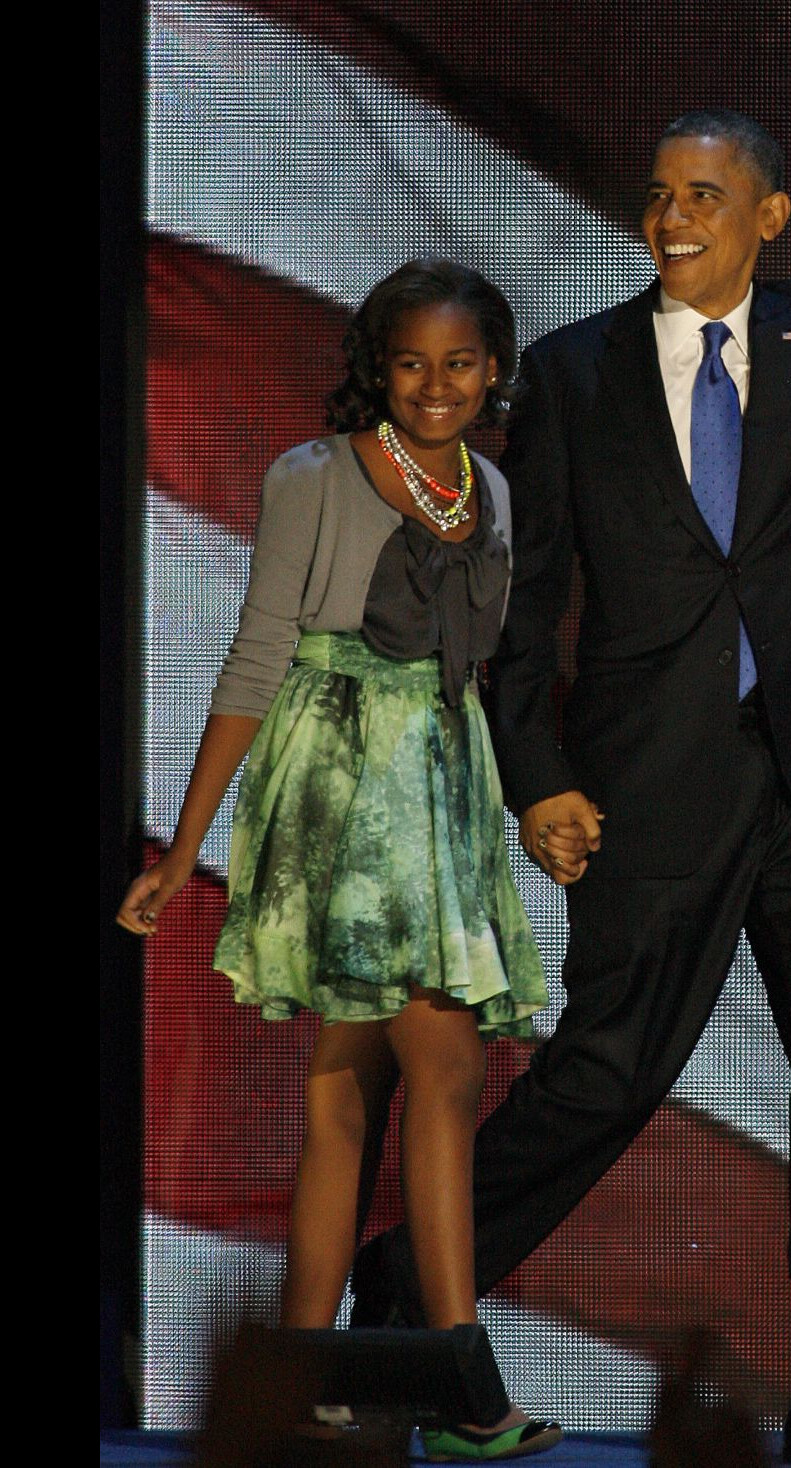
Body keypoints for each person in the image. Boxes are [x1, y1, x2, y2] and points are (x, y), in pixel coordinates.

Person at [350, 114, 791, 1463]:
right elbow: (526, 604)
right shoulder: (571, 373)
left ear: (768, 220)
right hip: (648, 790)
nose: (676, 216)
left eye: (708, 196)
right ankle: (400, 1306)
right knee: (608, 1078)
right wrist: (537, 782)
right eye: (662, 193)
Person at [117, 258, 564, 1463]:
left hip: (444, 790)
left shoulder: (498, 497)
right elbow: (258, 656)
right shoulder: (311, 478)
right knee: (448, 1067)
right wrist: (187, 847)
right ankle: (462, 1383)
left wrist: (526, 807)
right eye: (411, 362)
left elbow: (483, 674)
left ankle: (298, 1378)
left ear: (492, 372)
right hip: (342, 783)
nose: (435, 386)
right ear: (379, 364)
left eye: (460, 364)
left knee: (350, 1088)